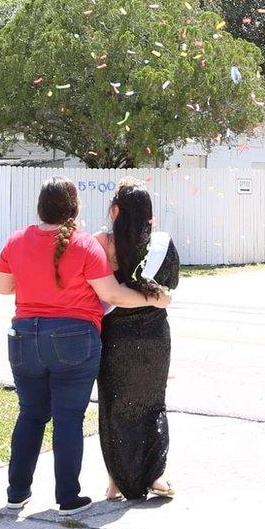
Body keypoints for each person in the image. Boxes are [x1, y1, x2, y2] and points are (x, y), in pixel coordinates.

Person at [0, 178, 170, 514]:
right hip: (73, 338)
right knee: (68, 419)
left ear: (39, 207)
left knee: (30, 415)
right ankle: (68, 498)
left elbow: (2, 288)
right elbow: (113, 295)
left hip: (23, 338)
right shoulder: (85, 245)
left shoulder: (15, 240)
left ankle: (17, 493)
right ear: (75, 208)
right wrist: (155, 299)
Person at [95, 182, 183, 502]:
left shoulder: (100, 244)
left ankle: (115, 482)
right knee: (151, 404)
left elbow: (96, 290)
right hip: (154, 337)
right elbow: (170, 285)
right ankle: (155, 474)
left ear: (115, 211)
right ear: (149, 216)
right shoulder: (163, 245)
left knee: (114, 408)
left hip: (114, 336)